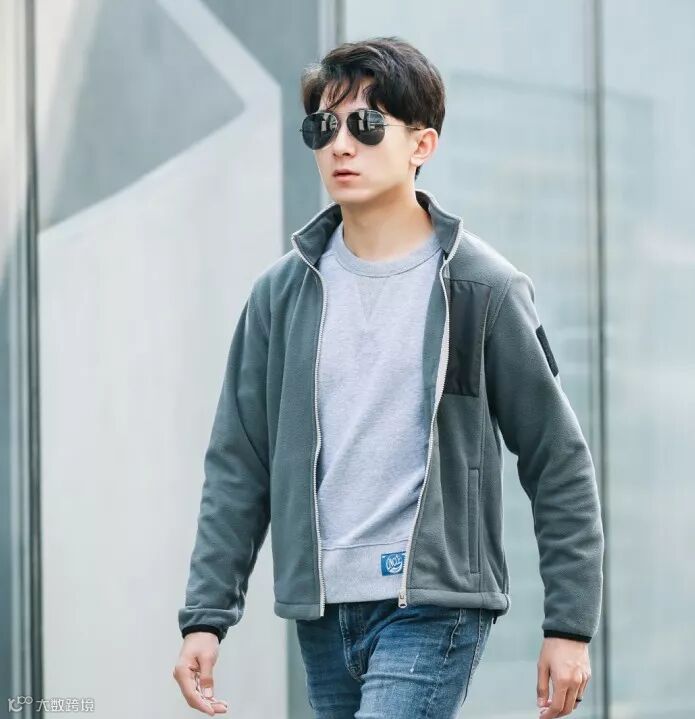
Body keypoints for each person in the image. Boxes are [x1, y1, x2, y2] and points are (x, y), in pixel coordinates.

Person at [173, 36, 604, 719]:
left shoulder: (481, 289)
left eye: (366, 125)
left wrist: (569, 625)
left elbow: (557, 459)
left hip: (433, 603)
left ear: (421, 144)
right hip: (322, 609)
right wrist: (206, 615)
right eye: (323, 127)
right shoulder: (281, 295)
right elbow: (239, 463)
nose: (340, 145)